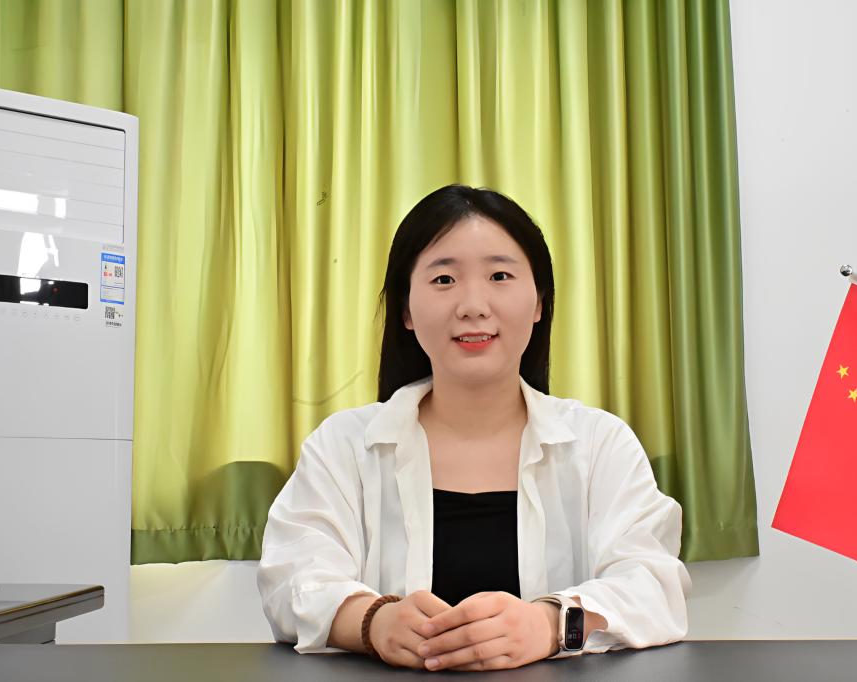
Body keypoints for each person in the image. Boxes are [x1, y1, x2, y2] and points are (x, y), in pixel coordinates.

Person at [257, 184, 691, 672]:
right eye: (444, 279)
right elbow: (290, 578)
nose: (473, 305)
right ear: (406, 310)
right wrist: (374, 621)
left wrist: (550, 624)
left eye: (499, 275)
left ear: (539, 302)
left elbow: (653, 584)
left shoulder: (599, 443)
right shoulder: (343, 446)